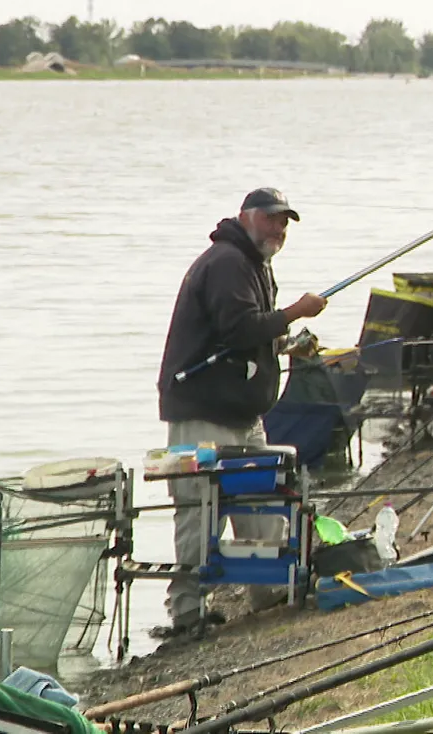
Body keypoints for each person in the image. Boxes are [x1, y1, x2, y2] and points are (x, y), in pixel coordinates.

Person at [154, 187, 327, 639]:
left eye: (284, 222)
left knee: (262, 500)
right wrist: (294, 312)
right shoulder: (227, 262)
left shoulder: (255, 265)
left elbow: (248, 335)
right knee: (197, 509)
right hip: (202, 410)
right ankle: (187, 611)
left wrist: (287, 342)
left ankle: (264, 590)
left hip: (242, 413)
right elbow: (238, 327)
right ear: (246, 217)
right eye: (271, 219)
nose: (279, 229)